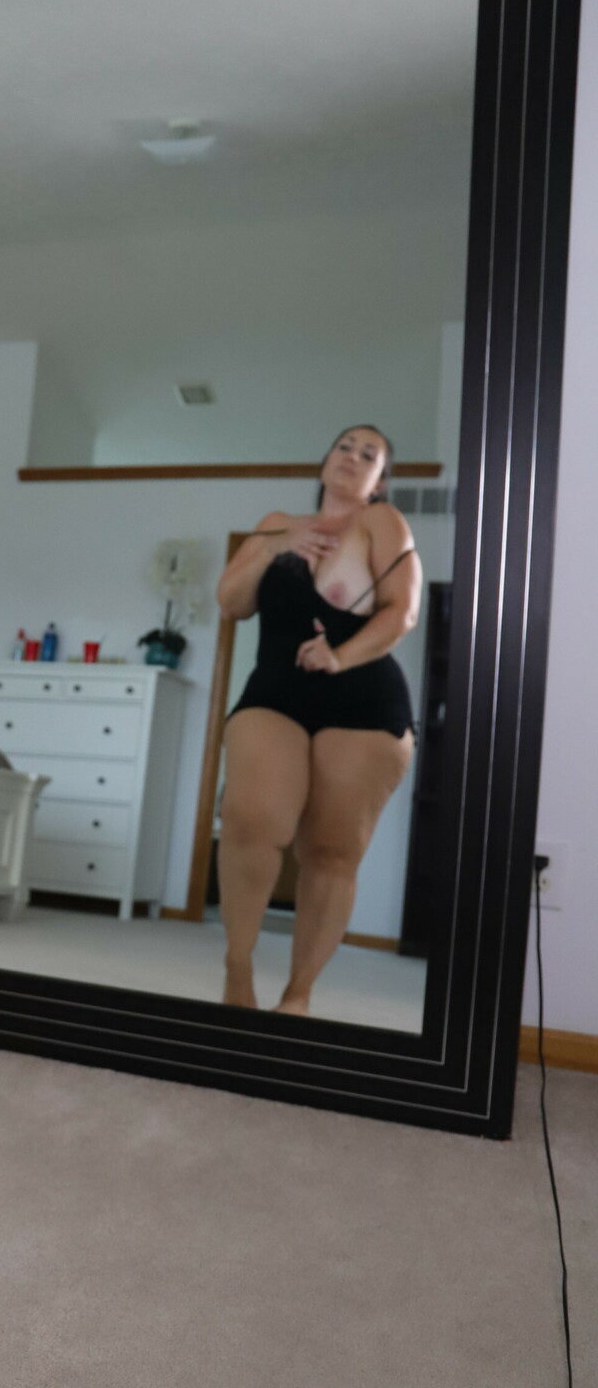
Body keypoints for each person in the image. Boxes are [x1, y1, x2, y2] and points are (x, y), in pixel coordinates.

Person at [213, 425, 421, 1015]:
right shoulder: (277, 523)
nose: (353, 457)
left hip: (363, 700)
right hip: (275, 691)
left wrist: (340, 656)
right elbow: (231, 602)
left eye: (369, 454)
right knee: (252, 819)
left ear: (381, 480)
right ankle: (237, 969)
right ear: (325, 460)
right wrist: (274, 548)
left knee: (332, 851)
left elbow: (402, 611)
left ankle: (298, 994)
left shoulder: (382, 522)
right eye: (345, 447)